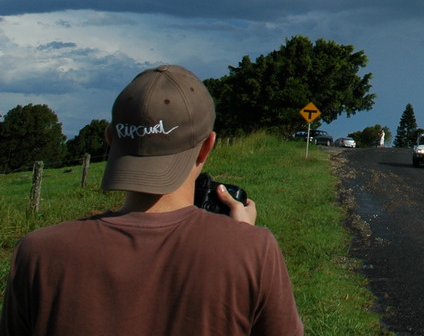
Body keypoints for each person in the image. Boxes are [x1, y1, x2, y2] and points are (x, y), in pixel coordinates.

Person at [0, 65, 304, 336]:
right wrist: (241, 237)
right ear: (206, 147)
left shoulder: (37, 252)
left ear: (110, 140)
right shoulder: (254, 249)